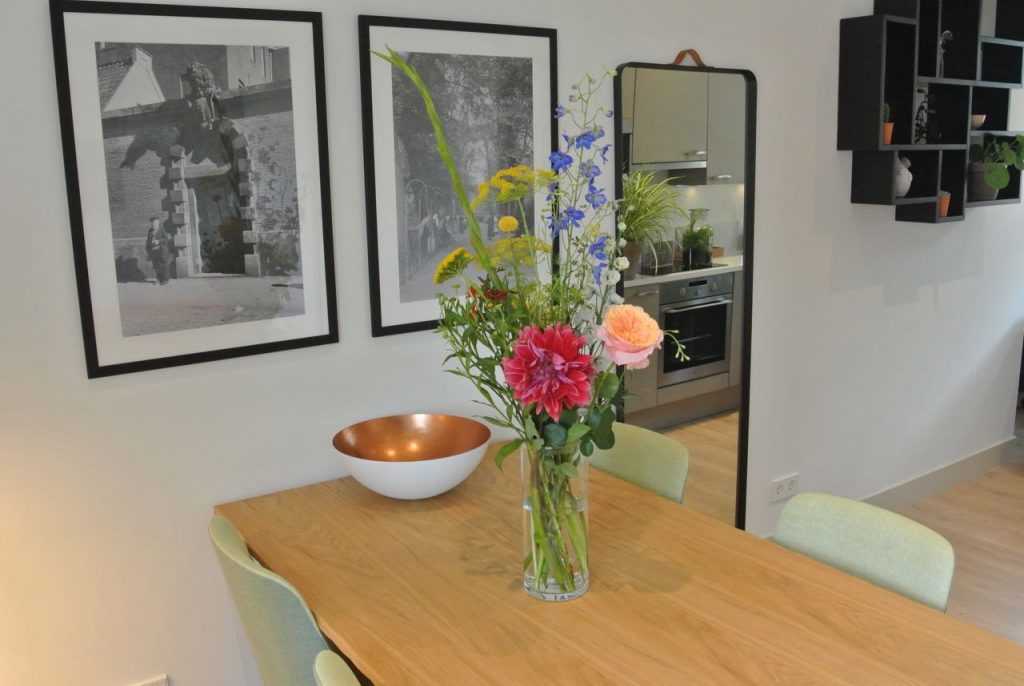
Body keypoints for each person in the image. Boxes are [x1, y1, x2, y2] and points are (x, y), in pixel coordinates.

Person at [145, 217, 170, 285]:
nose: (154, 224)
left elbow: (166, 239)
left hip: (161, 251)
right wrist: (148, 248)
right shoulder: (150, 231)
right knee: (156, 266)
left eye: (156, 223)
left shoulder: (161, 229)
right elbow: (148, 240)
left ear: (158, 223)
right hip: (154, 251)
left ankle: (166, 280)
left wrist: (158, 241)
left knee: (164, 265)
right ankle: (160, 279)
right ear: (151, 223)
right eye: (153, 223)